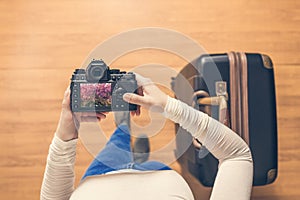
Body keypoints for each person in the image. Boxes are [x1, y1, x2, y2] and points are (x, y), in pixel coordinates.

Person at [40, 74, 253, 200]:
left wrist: (67, 132)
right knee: (127, 151)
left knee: (117, 143)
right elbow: (237, 155)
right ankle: (138, 153)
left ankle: (124, 128)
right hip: (157, 173)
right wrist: (170, 107)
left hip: (101, 174)